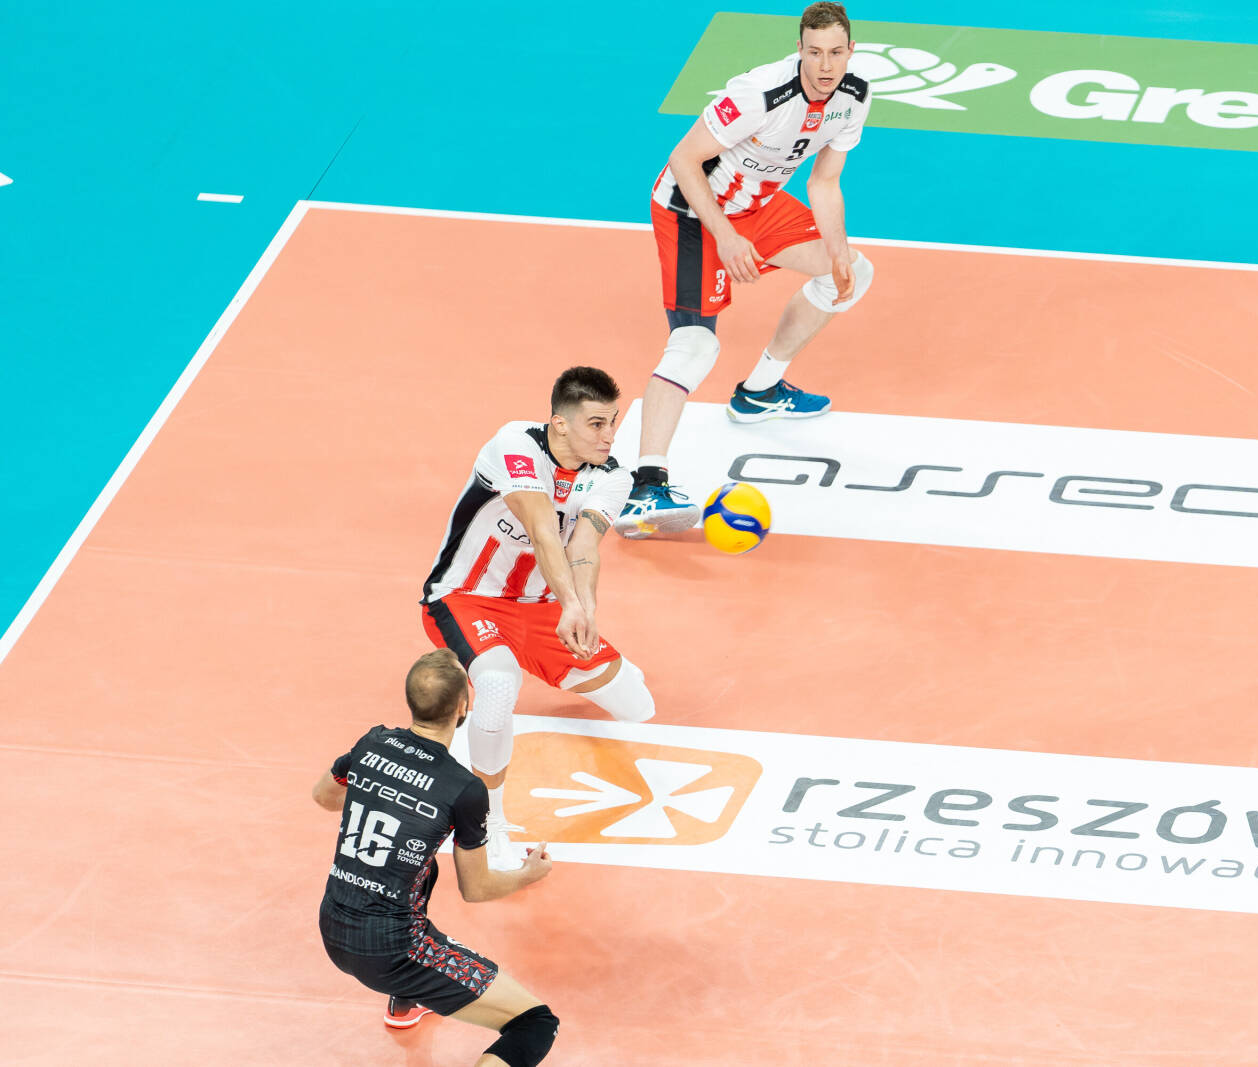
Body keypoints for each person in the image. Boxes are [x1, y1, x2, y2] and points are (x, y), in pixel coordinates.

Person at [616, 1, 875, 538]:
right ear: (799, 50)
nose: (825, 65)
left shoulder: (853, 96)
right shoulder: (759, 94)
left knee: (852, 272)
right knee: (695, 345)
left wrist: (838, 250)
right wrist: (726, 236)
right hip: (693, 211)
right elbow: (684, 160)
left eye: (835, 53)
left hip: (757, 205)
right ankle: (645, 488)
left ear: (851, 51)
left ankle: (759, 391)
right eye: (814, 52)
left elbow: (824, 182)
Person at [420, 366, 656, 870]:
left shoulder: (613, 475)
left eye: (612, 422)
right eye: (597, 424)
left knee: (638, 707)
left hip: (543, 607)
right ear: (560, 423)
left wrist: (583, 610)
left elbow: (584, 546)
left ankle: (555, 668)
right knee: (498, 684)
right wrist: (571, 604)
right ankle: (486, 826)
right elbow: (544, 529)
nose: (609, 436)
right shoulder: (516, 445)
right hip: (467, 597)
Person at [313, 649, 560, 1064]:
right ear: (463, 707)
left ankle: (404, 1001)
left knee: (419, 870)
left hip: (333, 927)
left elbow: (323, 796)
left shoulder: (372, 743)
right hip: (395, 950)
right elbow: (476, 889)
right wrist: (528, 874)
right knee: (535, 1023)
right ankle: (408, 982)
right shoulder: (463, 788)